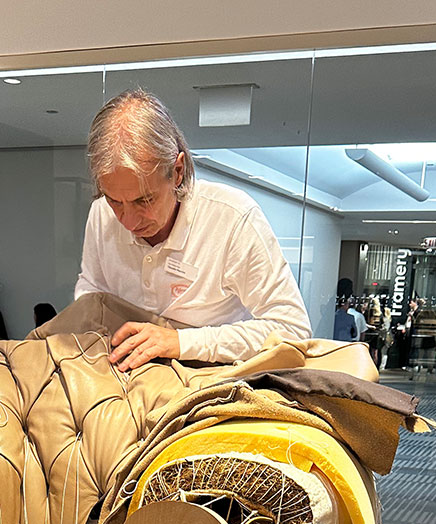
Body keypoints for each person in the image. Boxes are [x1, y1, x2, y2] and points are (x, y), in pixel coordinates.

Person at [74, 89, 311, 372]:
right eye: (115, 201)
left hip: (213, 381)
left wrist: (181, 342)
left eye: (144, 200)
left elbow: (292, 329)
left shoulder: (233, 217)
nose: (128, 221)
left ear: (177, 170)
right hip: (125, 376)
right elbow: (91, 293)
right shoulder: (101, 213)